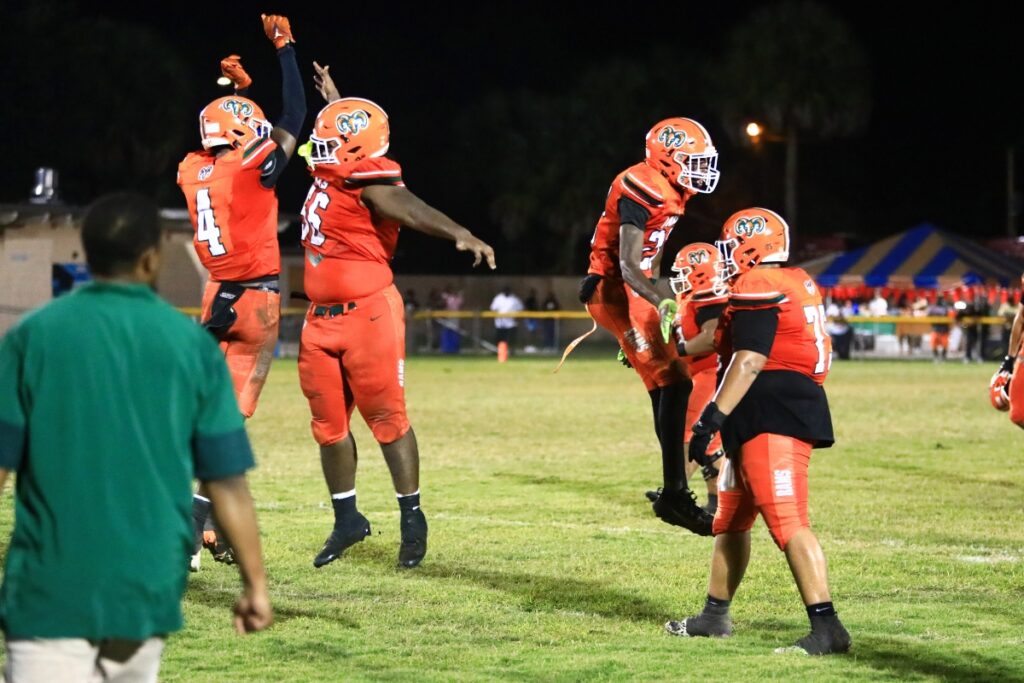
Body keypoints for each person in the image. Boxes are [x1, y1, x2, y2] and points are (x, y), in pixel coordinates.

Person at [0, 194, 271, 682]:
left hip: (49, 581)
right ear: (152, 257)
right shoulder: (192, 346)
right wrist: (255, 584)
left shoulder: (32, 336)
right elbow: (227, 481)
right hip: (143, 582)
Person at [296, 63, 496, 569]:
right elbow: (345, 139)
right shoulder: (337, 166)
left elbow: (406, 206)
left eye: (331, 139)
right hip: (319, 320)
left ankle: (412, 516)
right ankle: (348, 520)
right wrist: (336, 103)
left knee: (386, 419)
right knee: (328, 426)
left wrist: (458, 232)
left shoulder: (368, 175)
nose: (318, 148)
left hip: (367, 316)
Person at [666, 208, 850, 655]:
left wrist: (711, 416)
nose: (727, 258)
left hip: (772, 410)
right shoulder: (794, 279)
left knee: (787, 520)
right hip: (761, 409)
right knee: (731, 519)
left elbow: (749, 358)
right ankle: (713, 617)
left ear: (752, 246)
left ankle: (828, 629)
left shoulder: (758, 282)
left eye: (731, 248)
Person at [176, 13, 306, 570]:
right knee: (226, 425)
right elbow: (294, 117)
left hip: (216, 297)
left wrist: (240, 97)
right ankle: (192, 521)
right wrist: (284, 51)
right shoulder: (250, 165)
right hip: (255, 301)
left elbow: (226, 134)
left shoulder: (190, 168)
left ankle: (204, 524)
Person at [578, 117, 720, 536]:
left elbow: (650, 259)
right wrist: (658, 302)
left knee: (671, 384)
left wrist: (649, 306)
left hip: (629, 292)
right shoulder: (642, 186)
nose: (699, 169)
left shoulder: (672, 191)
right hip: (615, 290)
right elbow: (626, 263)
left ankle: (674, 489)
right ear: (666, 157)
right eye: (691, 160)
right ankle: (675, 493)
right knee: (675, 384)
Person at [666, 242, 727, 513]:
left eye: (684, 270)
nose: (678, 276)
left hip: (710, 372)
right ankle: (716, 502)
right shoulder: (689, 296)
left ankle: (675, 492)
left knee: (690, 436)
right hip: (700, 373)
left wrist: (675, 352)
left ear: (699, 272)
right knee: (710, 444)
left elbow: (712, 338)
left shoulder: (709, 294)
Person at [928, 295, 952, 362]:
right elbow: (928, 314)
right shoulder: (932, 308)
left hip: (944, 329)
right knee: (933, 343)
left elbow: (949, 315)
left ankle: (943, 357)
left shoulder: (946, 307)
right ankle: (936, 357)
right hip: (936, 328)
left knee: (945, 344)